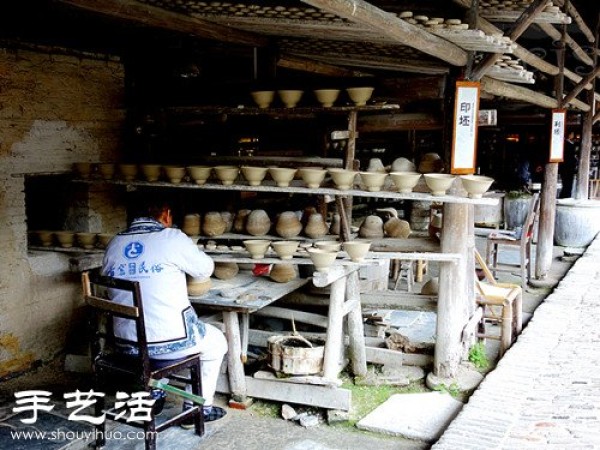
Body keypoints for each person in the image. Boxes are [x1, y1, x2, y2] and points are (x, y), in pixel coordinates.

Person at [101, 199, 228, 424]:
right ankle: (196, 409)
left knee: (156, 323)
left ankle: (154, 393)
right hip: (167, 346)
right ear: (167, 215)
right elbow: (205, 269)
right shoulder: (172, 238)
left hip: (126, 345)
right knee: (216, 341)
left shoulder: (115, 243)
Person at [559, 134, 577, 198]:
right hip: (567, 166)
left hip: (568, 166)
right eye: (572, 134)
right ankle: (565, 196)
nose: (572, 135)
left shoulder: (569, 143)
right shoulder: (566, 144)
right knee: (567, 183)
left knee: (567, 183)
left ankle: (565, 195)